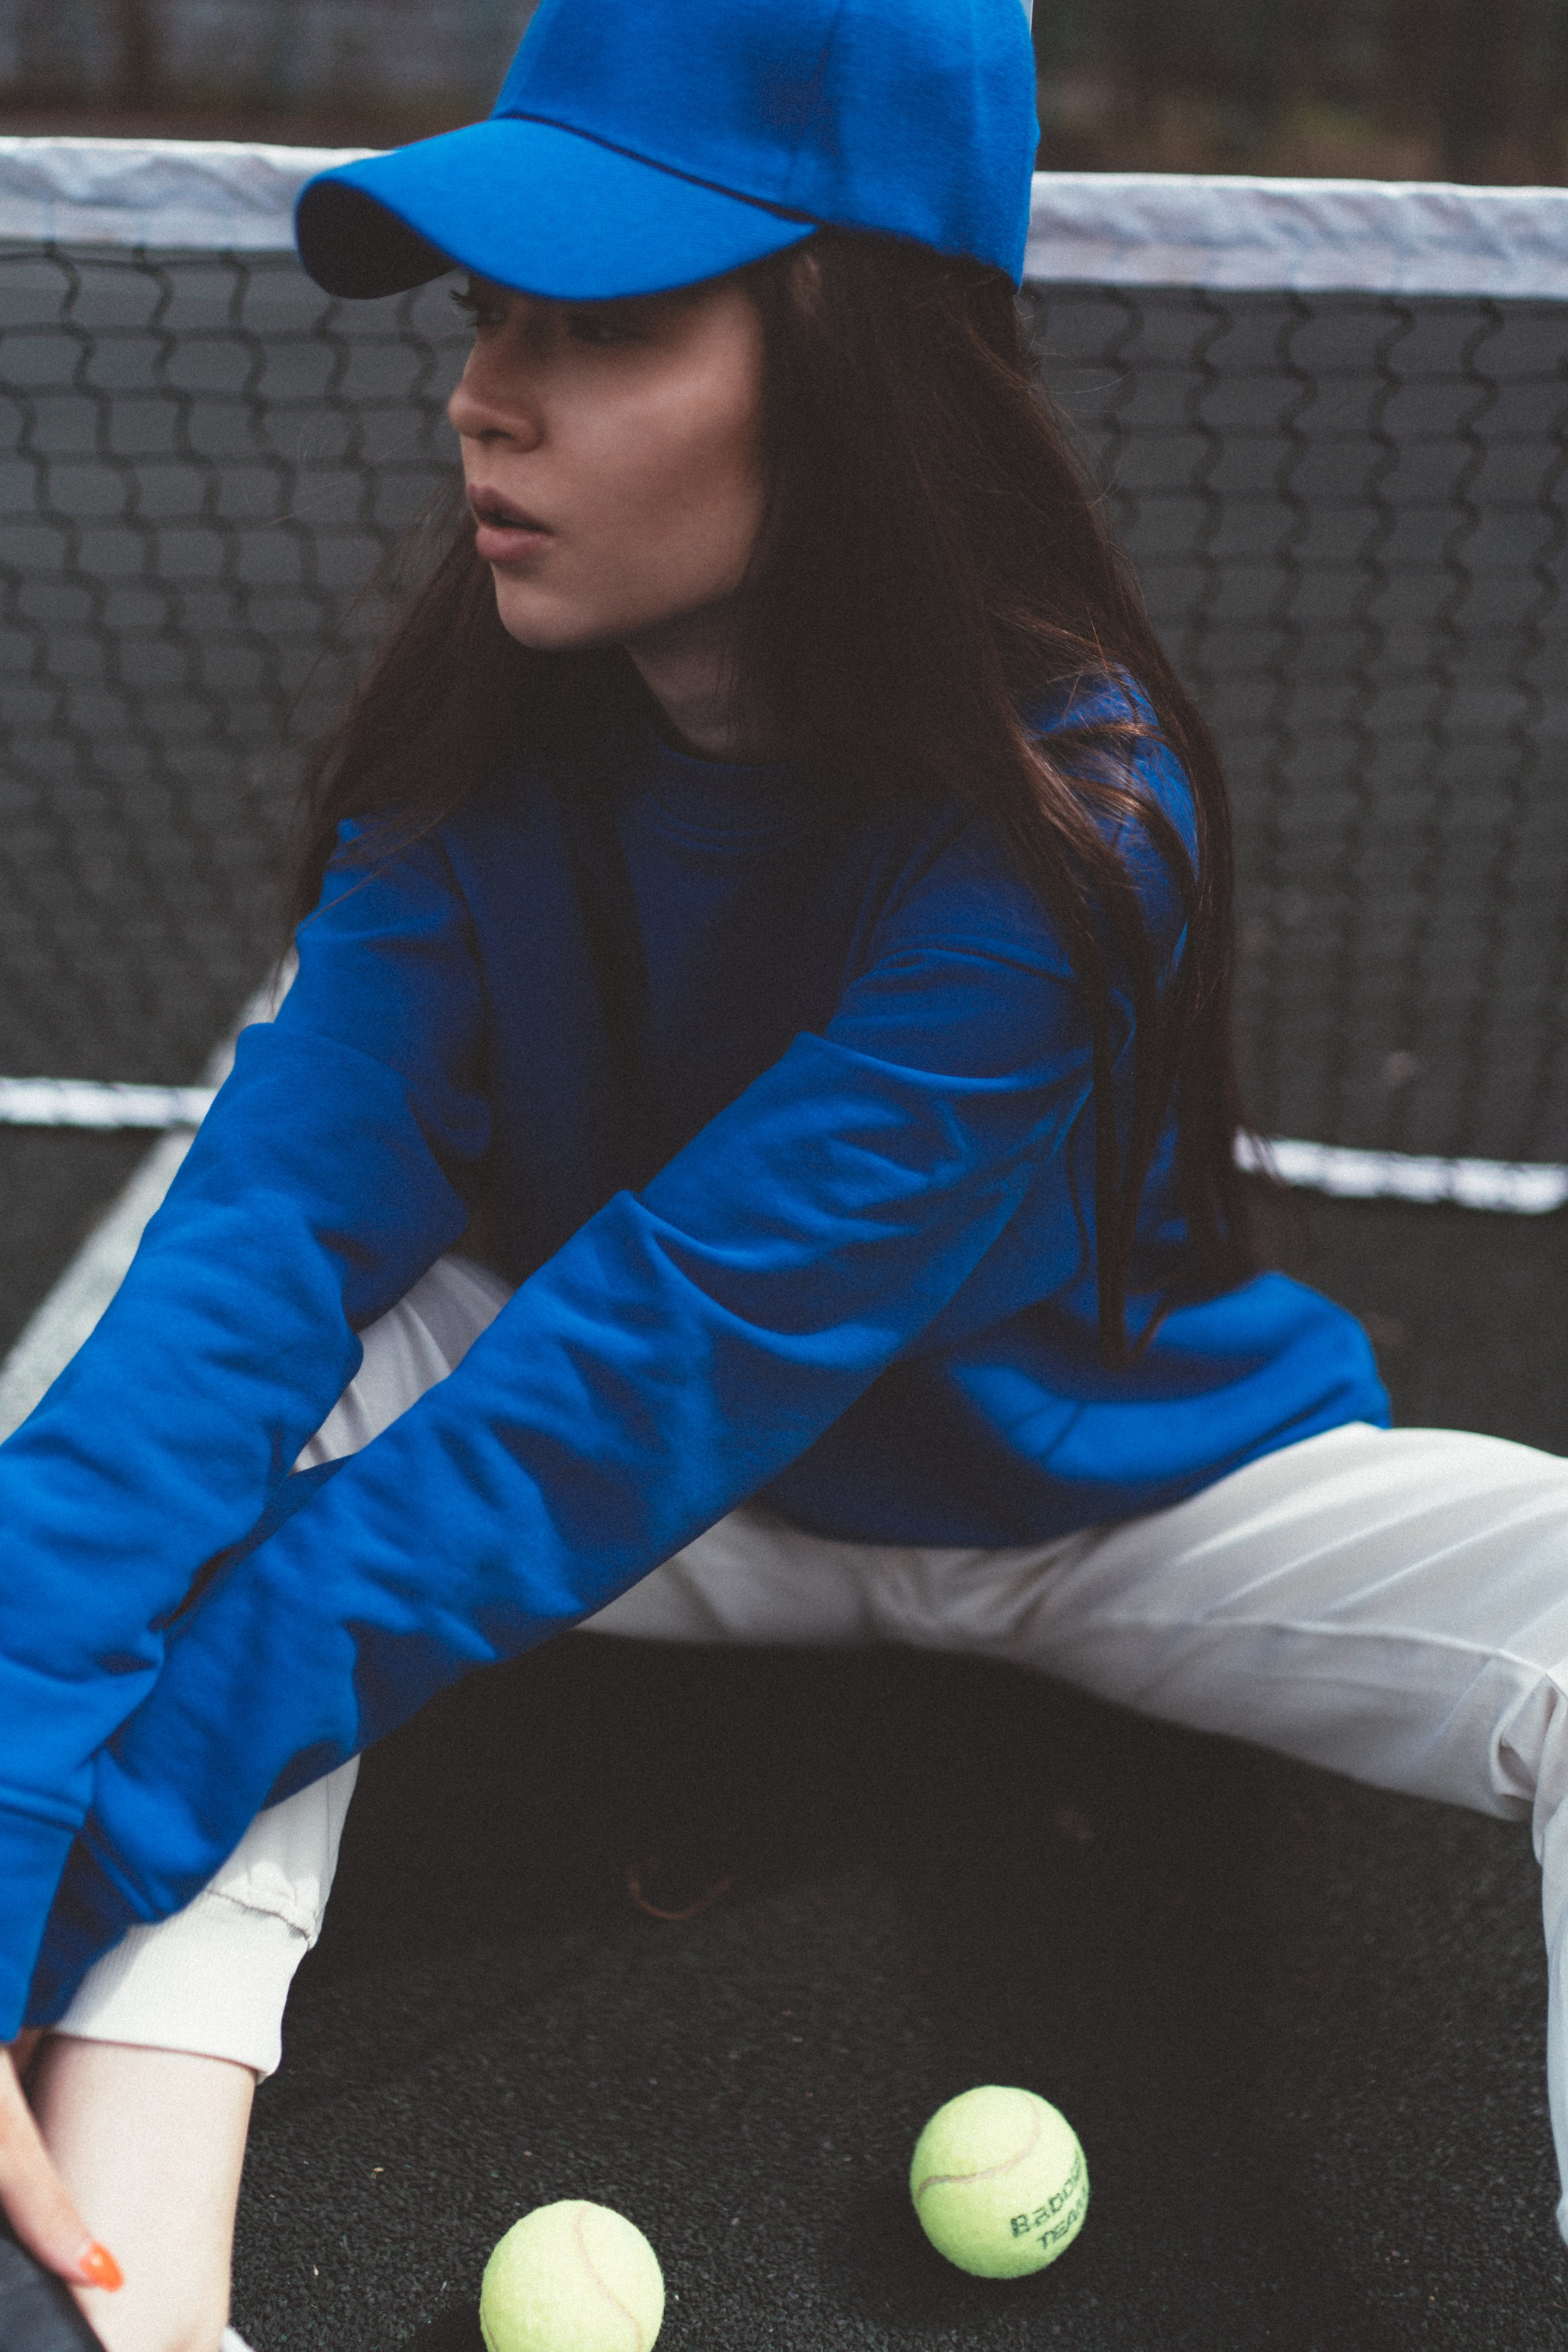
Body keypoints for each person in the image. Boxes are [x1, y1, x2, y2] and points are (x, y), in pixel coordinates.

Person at [1, 0, 1566, 2345]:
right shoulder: (460, 784)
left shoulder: (1070, 840)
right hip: (664, 1514)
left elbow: (645, 1373)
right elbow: (251, 1273)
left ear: (859, 372)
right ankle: (124, 2309)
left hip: (1082, 1510)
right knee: (170, 1483)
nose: (484, 394)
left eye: (604, 320)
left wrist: (81, 1845)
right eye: (484, 311)